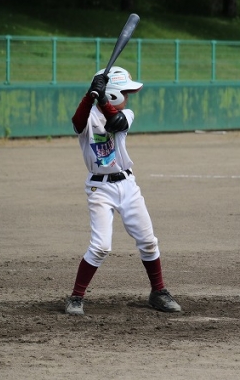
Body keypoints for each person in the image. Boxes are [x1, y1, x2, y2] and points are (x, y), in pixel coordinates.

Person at [65, 66, 182, 316]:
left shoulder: (126, 113)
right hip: (99, 188)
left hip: (128, 185)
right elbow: (77, 123)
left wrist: (102, 99)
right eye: (125, 93)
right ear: (114, 93)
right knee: (100, 246)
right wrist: (89, 95)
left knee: (148, 241)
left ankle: (158, 292)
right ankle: (76, 297)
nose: (127, 97)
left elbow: (116, 123)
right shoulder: (88, 116)